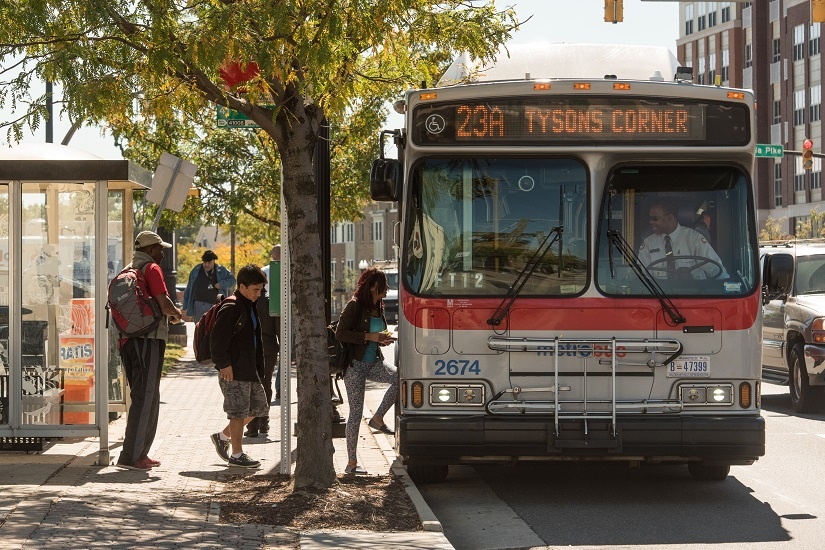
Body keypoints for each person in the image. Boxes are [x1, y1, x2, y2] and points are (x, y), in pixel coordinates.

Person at [116, 231, 184, 470]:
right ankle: (131, 457)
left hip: (128, 341)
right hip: (148, 340)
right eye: (159, 248)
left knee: (144, 396)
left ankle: (140, 453)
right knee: (146, 398)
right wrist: (177, 315)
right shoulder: (151, 269)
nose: (162, 252)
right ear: (149, 249)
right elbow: (164, 304)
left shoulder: (128, 269)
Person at [335, 267, 399, 475]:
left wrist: (383, 339)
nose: (387, 288)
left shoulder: (378, 306)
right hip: (355, 367)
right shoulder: (355, 306)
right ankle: (351, 463)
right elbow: (340, 333)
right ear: (372, 286)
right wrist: (369, 337)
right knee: (355, 413)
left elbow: (377, 334)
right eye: (383, 285)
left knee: (400, 379)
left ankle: (378, 418)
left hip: (373, 363)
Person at [209, 265, 269, 468]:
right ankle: (236, 455)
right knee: (238, 413)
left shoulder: (248, 305)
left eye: (261, 290)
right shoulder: (232, 307)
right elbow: (217, 340)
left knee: (258, 407)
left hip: (248, 370)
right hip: (233, 371)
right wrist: (224, 364)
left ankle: (222, 437)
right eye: (255, 290)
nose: (258, 294)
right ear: (242, 286)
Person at [638, 200, 728, 280]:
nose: (650, 222)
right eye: (650, 218)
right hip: (659, 295)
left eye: (654, 219)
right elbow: (641, 275)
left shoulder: (694, 239)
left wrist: (727, 291)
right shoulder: (648, 243)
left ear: (670, 218)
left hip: (694, 295)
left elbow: (715, 269)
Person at [244, 286, 280, 437]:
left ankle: (252, 425)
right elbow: (279, 329)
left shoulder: (247, 302)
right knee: (266, 384)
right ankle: (264, 421)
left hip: (251, 347)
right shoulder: (271, 303)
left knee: (252, 385)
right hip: (269, 347)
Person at [182, 250, 236, 322]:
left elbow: (232, 280)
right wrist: (185, 305)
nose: (206, 265)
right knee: (199, 327)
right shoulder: (196, 270)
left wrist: (221, 284)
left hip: (214, 304)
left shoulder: (222, 270)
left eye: (209, 262)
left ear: (214, 261)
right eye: (205, 262)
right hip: (198, 304)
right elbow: (189, 287)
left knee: (213, 327)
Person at [261, 244, 282, 401]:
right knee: (266, 379)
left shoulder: (266, 270)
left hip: (273, 318)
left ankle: (280, 388)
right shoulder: (269, 270)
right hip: (274, 316)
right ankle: (280, 388)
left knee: (262, 380)